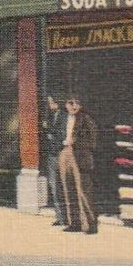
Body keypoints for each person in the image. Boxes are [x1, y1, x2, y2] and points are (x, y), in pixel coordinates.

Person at [57, 94, 99, 234]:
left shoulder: (86, 119)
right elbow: (55, 134)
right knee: (68, 189)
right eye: (71, 103)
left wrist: (75, 143)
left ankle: (90, 224)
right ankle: (74, 223)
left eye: (77, 103)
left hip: (80, 155)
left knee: (83, 190)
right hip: (65, 153)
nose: (74, 106)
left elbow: (93, 141)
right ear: (66, 104)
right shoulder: (62, 119)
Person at [45, 96, 68, 225]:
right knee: (54, 187)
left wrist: (51, 134)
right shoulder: (50, 116)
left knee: (63, 186)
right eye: (49, 103)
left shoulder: (64, 117)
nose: (50, 105)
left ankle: (68, 217)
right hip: (51, 155)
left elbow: (62, 135)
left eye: (52, 102)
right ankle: (60, 217)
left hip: (60, 154)